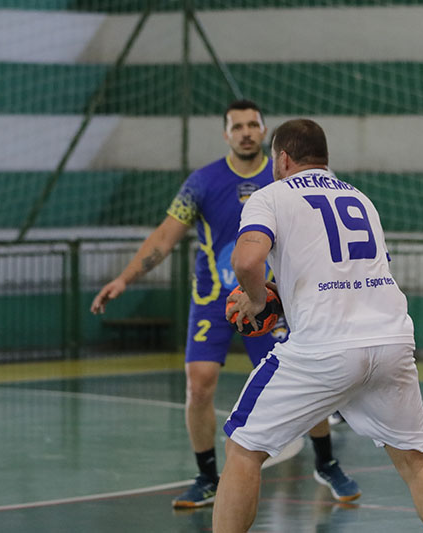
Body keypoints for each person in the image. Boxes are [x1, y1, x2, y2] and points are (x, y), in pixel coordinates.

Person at [90, 101, 359, 508]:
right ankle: (206, 476)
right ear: (225, 134)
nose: (246, 132)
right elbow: (165, 236)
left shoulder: (285, 181)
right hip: (214, 300)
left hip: (268, 298)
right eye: (238, 126)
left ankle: (326, 461)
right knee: (198, 384)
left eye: (253, 125)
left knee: (302, 378)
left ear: (265, 132)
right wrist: (124, 278)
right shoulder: (202, 182)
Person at [213, 119, 423, 533]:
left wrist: (258, 299)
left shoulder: (270, 196)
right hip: (391, 341)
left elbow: (245, 261)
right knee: (416, 462)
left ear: (283, 159)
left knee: (243, 447)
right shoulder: (360, 198)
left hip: (326, 346)